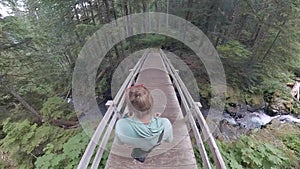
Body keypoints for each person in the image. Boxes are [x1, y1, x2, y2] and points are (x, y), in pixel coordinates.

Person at [115, 84, 173, 163]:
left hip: (136, 145)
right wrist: (157, 120)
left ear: (130, 108)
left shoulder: (120, 125)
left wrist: (127, 119)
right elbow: (169, 140)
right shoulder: (165, 124)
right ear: (151, 103)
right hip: (152, 146)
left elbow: (120, 142)